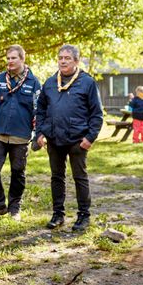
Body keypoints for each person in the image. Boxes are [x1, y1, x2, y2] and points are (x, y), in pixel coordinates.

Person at [35, 44, 103, 232]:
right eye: (60, 58)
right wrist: (40, 133)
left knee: (79, 177)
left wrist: (90, 138)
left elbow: (97, 114)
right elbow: (40, 110)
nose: (63, 61)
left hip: (77, 139)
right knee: (57, 177)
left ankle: (84, 216)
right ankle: (58, 215)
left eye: (67, 58)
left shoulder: (87, 82)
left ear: (76, 61)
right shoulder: (49, 83)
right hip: (54, 138)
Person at [0, 44, 41, 221]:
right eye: (7, 58)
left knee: (18, 173)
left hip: (20, 137)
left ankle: (15, 208)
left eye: (13, 58)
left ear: (22, 59)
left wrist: (37, 135)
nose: (10, 61)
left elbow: (39, 111)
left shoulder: (34, 82)